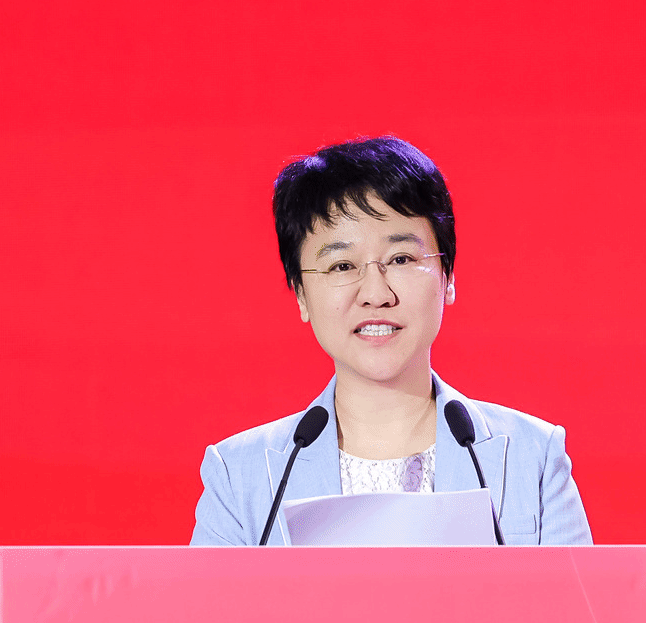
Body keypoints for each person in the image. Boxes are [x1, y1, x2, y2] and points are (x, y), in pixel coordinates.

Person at [189, 136, 592, 546]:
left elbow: (576, 592)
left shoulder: (533, 458)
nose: (375, 293)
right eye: (341, 265)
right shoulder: (239, 477)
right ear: (300, 295)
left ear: (448, 277)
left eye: (401, 259)